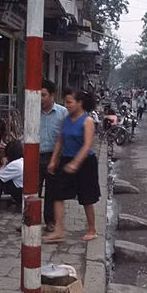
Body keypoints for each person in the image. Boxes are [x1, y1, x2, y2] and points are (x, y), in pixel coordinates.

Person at [45, 90, 100, 243]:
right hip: (66, 159)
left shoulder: (87, 120)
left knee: (86, 198)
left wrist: (76, 163)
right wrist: (54, 160)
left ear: (79, 103)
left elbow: (88, 144)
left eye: (69, 102)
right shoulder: (66, 119)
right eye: (65, 102)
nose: (66, 105)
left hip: (86, 163)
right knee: (57, 195)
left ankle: (92, 229)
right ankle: (59, 230)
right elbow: (60, 141)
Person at [39, 80, 68, 232]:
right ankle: (30, 220)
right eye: (38, 95)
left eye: (43, 95)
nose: (40, 98)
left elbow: (65, 137)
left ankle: (50, 221)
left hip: (53, 157)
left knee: (51, 191)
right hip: (36, 156)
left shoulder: (62, 113)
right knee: (31, 191)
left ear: (51, 95)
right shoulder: (33, 111)